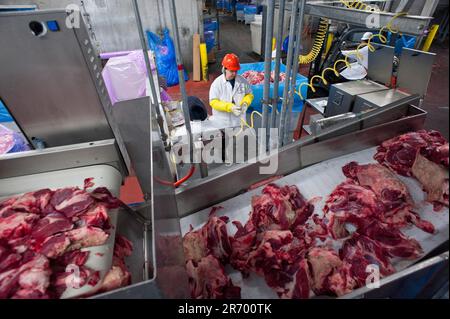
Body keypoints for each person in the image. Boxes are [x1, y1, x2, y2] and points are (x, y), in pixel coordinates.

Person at [209, 53, 254, 128]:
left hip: (239, 121)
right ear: (224, 69)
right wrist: (229, 107)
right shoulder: (217, 84)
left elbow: (249, 94)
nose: (234, 73)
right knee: (224, 139)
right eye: (231, 71)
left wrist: (245, 103)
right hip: (222, 122)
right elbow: (213, 102)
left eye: (236, 71)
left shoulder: (242, 81)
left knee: (240, 138)